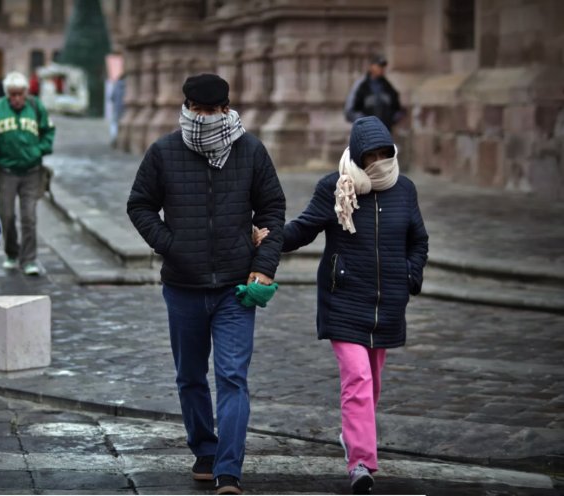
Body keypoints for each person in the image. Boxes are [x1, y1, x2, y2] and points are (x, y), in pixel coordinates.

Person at [127, 73, 286, 495]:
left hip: (236, 288)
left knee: (233, 377)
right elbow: (139, 204)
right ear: (187, 108)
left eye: (213, 111)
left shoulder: (250, 150)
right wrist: (171, 245)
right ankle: (205, 450)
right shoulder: (163, 151)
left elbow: (272, 210)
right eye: (197, 110)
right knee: (190, 376)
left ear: (226, 109)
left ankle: (229, 470)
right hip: (183, 286)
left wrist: (264, 264)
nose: (205, 119)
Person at [254, 116, 428, 494]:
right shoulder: (336, 187)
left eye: (386, 153)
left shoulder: (405, 190)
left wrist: (410, 275)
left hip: (387, 305)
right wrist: (269, 239)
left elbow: (418, 240)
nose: (380, 161)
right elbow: (303, 228)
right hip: (343, 300)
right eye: (373, 155)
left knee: (372, 383)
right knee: (358, 380)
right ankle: (361, 463)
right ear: (359, 155)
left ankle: (352, 434)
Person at [0, 71, 56, 276]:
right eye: (12, 95)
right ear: (7, 94)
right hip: (7, 171)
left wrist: (39, 150)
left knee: (29, 217)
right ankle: (12, 253)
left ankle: (29, 259)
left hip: (32, 171)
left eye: (20, 94)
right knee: (7, 216)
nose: (17, 99)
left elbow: (48, 130)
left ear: (26, 93)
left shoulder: (36, 107)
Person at [344, 55, 404, 132]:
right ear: (371, 67)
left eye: (383, 66)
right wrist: (365, 122)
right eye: (379, 66)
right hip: (366, 133)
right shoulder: (361, 85)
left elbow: (397, 109)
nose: (381, 69)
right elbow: (350, 111)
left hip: (384, 133)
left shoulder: (388, 87)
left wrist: (390, 120)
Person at [109, 74, 126, 147]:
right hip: (126, 110)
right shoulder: (129, 87)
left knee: (114, 125)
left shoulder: (116, 85)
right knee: (124, 126)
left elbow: (111, 98)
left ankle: (114, 139)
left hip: (117, 109)